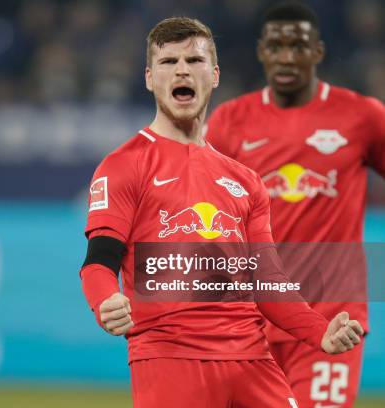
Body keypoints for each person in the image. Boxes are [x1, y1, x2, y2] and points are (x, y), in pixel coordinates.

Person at [79, 16, 364, 408]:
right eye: (168, 62)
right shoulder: (125, 165)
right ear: (149, 77)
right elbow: (98, 260)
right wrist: (105, 301)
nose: (182, 69)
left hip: (253, 359)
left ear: (213, 75)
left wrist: (319, 332)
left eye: (194, 61)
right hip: (171, 358)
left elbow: (268, 281)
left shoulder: (246, 180)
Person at [205, 2, 385, 407]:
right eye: (276, 46)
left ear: (317, 52)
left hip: (332, 319)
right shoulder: (231, 121)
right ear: (261, 52)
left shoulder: (361, 117)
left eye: (298, 46)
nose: (287, 56)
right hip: (253, 321)